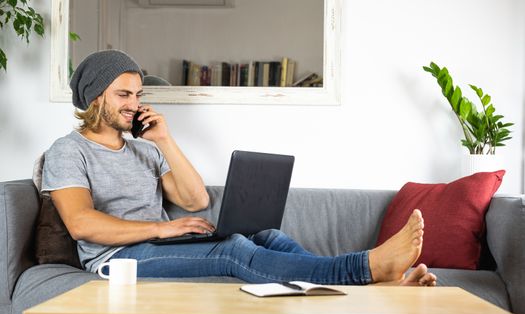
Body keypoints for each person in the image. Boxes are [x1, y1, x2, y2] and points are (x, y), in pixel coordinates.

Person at [42, 50, 437, 287]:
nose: (133, 103)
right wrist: (164, 227)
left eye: (138, 94)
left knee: (267, 235)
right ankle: (364, 268)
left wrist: (164, 140)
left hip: (157, 246)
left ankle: (378, 280)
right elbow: (81, 223)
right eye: (123, 94)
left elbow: (194, 198)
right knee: (233, 250)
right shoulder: (68, 151)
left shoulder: (145, 148)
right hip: (115, 260)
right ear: (94, 98)